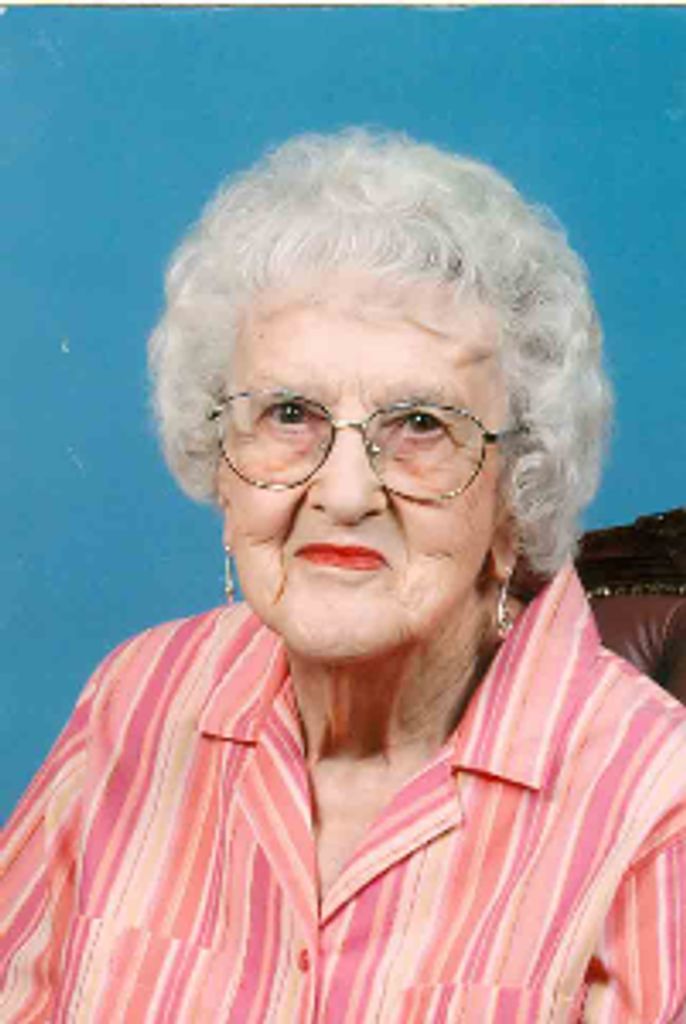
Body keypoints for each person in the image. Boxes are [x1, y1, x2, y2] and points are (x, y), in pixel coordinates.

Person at [2, 129, 685, 1023]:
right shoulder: (135, 700)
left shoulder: (655, 813)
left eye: (422, 425)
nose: (346, 492)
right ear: (220, 458)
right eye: (290, 413)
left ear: (517, 491)